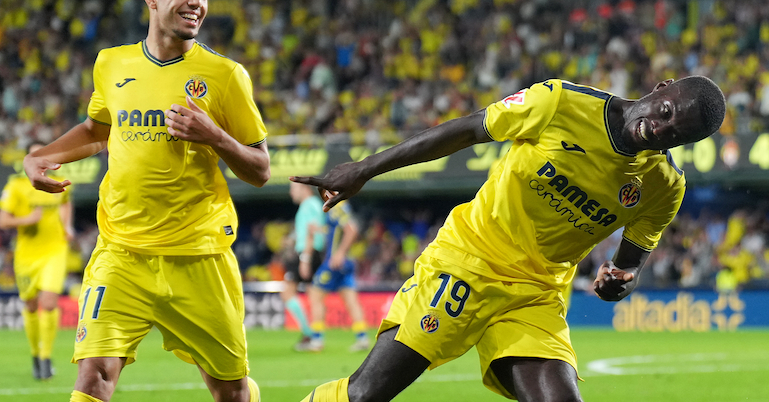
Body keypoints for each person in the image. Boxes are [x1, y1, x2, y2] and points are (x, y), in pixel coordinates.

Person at [291, 76, 726, 402]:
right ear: (661, 87)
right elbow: (468, 130)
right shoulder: (561, 102)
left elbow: (630, 262)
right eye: (665, 111)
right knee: (366, 394)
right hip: (469, 260)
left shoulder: (665, 185)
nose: (661, 128)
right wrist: (364, 168)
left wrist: (620, 281)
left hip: (537, 293)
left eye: (677, 134)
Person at [22, 0, 269, 402]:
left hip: (198, 256)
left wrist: (215, 137)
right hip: (121, 253)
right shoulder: (111, 63)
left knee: (230, 390)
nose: (197, 2)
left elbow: (260, 170)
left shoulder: (226, 75)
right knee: (94, 377)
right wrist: (40, 156)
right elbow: (97, 129)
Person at [0, 142, 75, 380]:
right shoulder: (16, 186)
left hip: (55, 250)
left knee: (49, 303)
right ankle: (34, 353)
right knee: (31, 305)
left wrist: (67, 226)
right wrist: (27, 220)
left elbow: (65, 203)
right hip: (27, 255)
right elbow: (3, 221)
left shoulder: (59, 183)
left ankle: (45, 357)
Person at [306, 200, 370, 352]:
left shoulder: (338, 207)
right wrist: (319, 230)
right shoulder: (341, 206)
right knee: (350, 300)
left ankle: (317, 339)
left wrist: (340, 252)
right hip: (346, 262)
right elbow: (335, 231)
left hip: (334, 262)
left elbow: (351, 229)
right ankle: (362, 338)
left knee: (315, 295)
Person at [285, 181, 326, 351]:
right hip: (308, 252)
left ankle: (312, 335)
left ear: (305, 188)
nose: (291, 193)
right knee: (311, 295)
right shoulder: (311, 205)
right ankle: (312, 335)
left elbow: (312, 231)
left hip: (308, 253)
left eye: (293, 189)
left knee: (299, 294)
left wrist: (305, 258)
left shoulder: (310, 205)